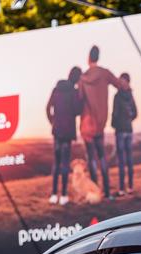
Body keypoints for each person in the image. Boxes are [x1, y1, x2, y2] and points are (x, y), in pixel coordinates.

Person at [77, 45, 125, 199]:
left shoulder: (83, 78)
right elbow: (121, 85)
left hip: (86, 124)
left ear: (88, 58)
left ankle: (96, 191)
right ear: (98, 57)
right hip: (100, 123)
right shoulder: (105, 73)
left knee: (91, 158)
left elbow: (79, 100)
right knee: (102, 157)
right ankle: (107, 193)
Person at [45, 66, 83, 205]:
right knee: (65, 164)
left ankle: (54, 194)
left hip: (57, 131)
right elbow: (78, 110)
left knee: (57, 163)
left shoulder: (57, 89)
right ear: (77, 78)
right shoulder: (73, 92)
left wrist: (53, 122)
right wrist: (80, 97)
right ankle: (64, 196)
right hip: (67, 132)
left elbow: (48, 107)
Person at [112, 73, 138, 196]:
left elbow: (115, 114)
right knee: (129, 159)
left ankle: (122, 189)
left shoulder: (117, 96)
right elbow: (135, 113)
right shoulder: (130, 95)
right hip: (128, 129)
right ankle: (130, 187)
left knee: (122, 161)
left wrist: (115, 124)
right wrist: (128, 120)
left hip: (120, 130)